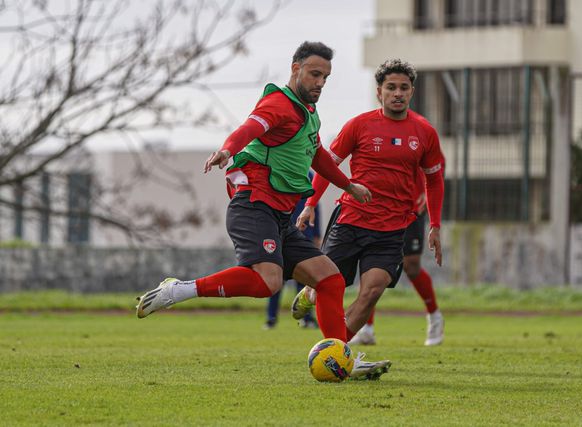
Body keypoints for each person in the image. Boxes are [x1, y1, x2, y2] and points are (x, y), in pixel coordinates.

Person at [135, 41, 391, 380]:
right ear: (295, 69)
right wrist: (227, 150)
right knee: (267, 282)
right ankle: (179, 289)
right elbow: (249, 129)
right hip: (254, 205)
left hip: (281, 216)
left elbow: (317, 156)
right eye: (314, 74)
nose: (320, 83)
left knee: (330, 280)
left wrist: (348, 186)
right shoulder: (278, 104)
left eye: (326, 77)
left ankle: (341, 357)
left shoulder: (308, 113)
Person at [292, 58, 445, 346]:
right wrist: (310, 204)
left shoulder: (424, 132)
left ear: (412, 92)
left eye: (404, 88)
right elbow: (328, 166)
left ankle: (337, 350)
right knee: (328, 286)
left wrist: (435, 225)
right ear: (379, 92)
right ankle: (311, 293)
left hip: (391, 230)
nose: (397, 93)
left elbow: (434, 180)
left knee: (372, 291)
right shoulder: (360, 125)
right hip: (351, 220)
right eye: (391, 87)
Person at [349, 179, 444, 346]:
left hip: (411, 205)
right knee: (370, 264)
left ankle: (435, 316)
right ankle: (366, 329)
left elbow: (433, 166)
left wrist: (424, 188)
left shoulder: (422, 153)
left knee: (411, 265)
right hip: (379, 206)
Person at [264, 172, 321, 330]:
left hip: (303, 236)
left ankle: (307, 318)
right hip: (282, 235)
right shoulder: (279, 171)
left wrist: (316, 235)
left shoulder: (309, 176)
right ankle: (271, 318)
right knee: (276, 280)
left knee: (304, 281)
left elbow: (315, 206)